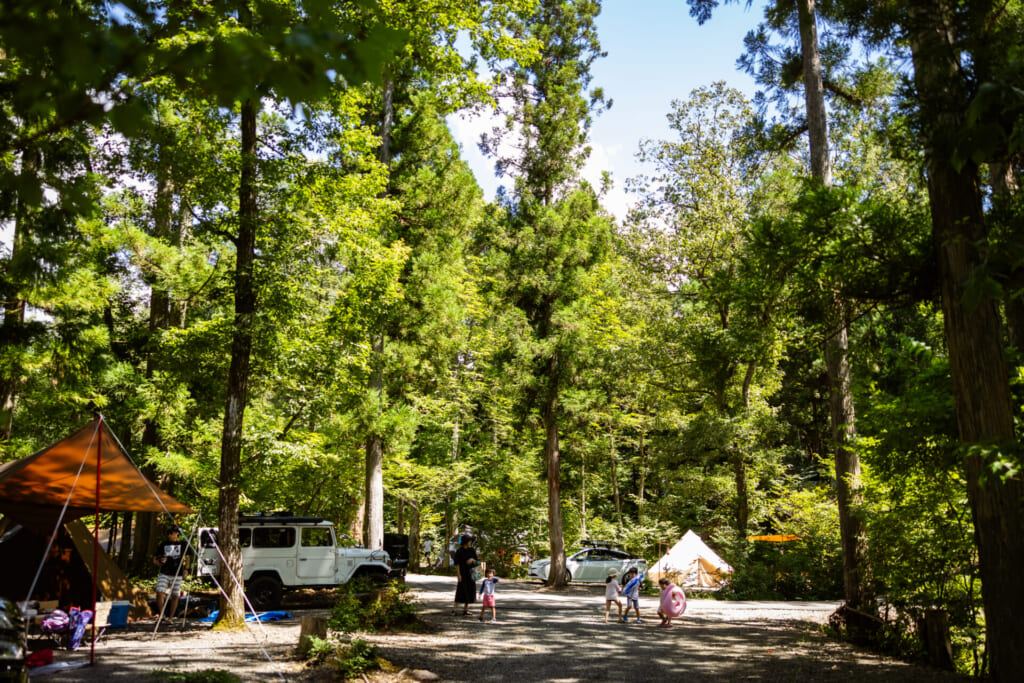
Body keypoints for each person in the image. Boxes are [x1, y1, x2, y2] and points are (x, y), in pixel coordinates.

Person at [153, 525, 189, 619]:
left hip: (177, 573)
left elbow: (187, 558)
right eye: (168, 534)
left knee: (175, 595)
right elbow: (155, 559)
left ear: (177, 533)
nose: (170, 536)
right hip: (164, 572)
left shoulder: (183, 544)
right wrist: (159, 563)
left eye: (172, 533)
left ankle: (171, 617)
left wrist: (186, 570)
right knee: (159, 591)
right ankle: (162, 615)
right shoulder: (164, 544)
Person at [451, 534, 478, 615]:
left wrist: (472, 560)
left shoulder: (472, 550)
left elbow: (477, 562)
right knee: (460, 590)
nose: (470, 542)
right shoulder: (459, 551)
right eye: (469, 541)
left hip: (471, 573)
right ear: (465, 542)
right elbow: (457, 563)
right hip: (463, 572)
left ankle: (465, 609)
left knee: (470, 590)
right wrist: (458, 574)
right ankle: (454, 609)